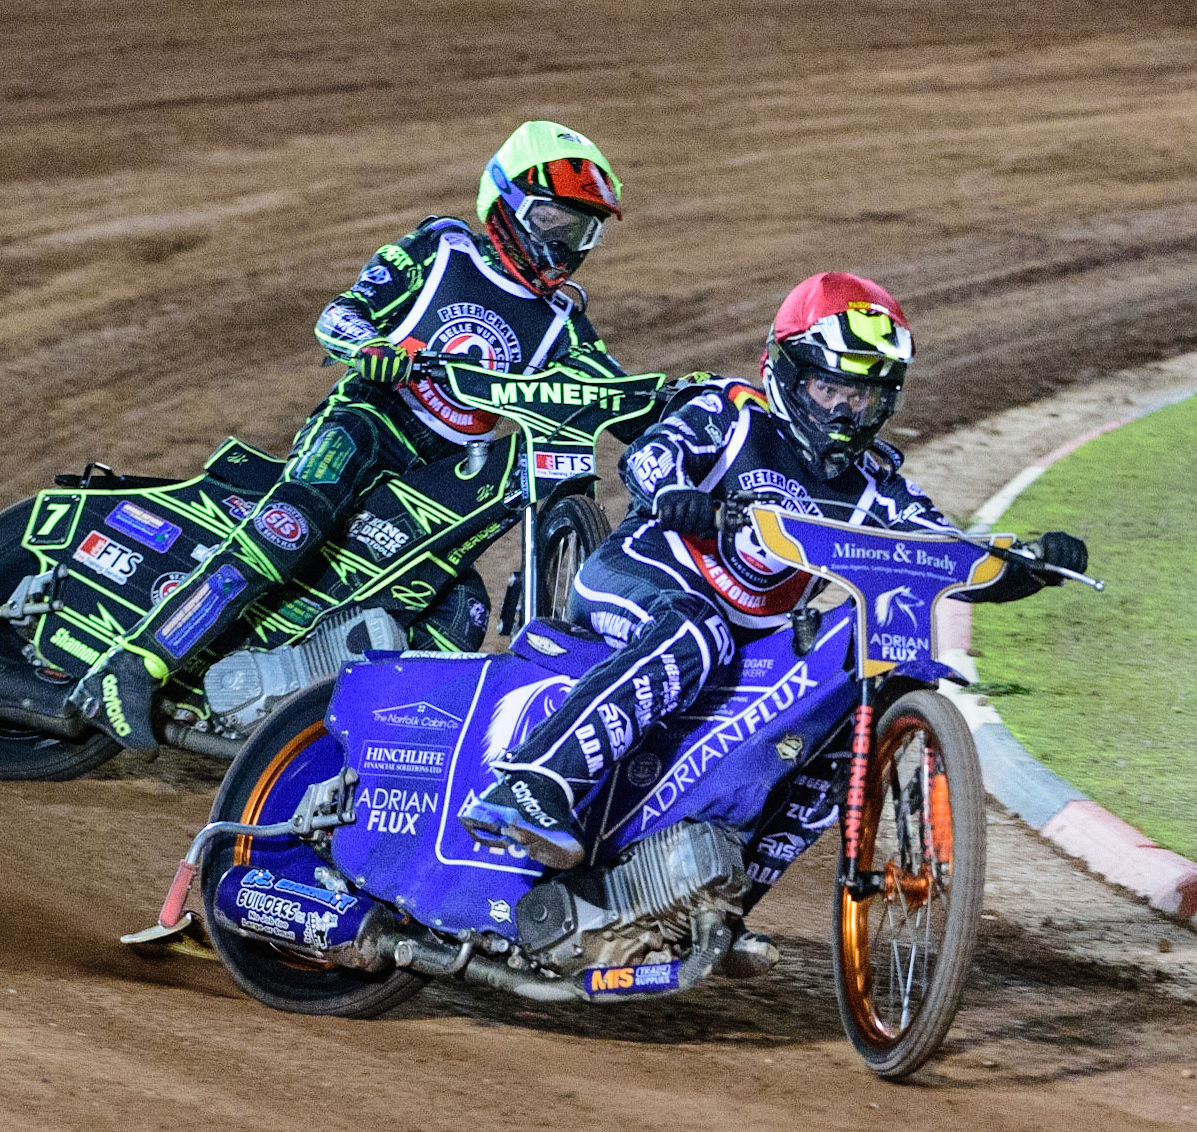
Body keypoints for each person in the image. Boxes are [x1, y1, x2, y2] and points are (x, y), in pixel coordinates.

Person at [460, 271, 1088, 875]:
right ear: (786, 372)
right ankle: (532, 784)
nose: (845, 412)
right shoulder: (730, 412)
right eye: (830, 389)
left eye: (864, 397)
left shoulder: (877, 482)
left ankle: (725, 890)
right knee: (696, 631)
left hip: (751, 641)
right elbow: (652, 453)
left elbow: (940, 550)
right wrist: (675, 493)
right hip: (639, 580)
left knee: (838, 691)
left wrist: (1029, 565)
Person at [70, 121, 630, 752]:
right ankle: (133, 663)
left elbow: (616, 394)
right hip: (367, 421)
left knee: (461, 609)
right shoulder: (442, 249)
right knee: (291, 525)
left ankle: (333, 742)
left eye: (583, 230)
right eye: (555, 221)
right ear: (506, 204)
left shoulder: (564, 323)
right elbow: (340, 313)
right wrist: (372, 347)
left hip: (438, 473)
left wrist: (689, 401)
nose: (566, 244)